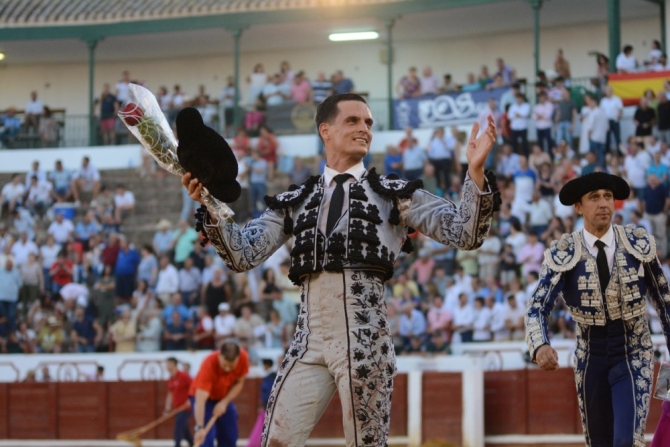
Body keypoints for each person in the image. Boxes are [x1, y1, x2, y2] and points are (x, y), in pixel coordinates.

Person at [182, 93, 498, 446]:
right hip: (308, 340)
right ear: (325, 130)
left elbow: (464, 233)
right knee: (275, 442)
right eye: (353, 121)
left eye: (368, 123)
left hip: (366, 340)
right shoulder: (296, 201)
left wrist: (475, 173)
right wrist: (209, 204)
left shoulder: (395, 194)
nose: (364, 129)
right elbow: (242, 254)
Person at [524, 172, 670, 446]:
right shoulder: (564, 253)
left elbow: (665, 302)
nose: (603, 203)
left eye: (608, 197)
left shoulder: (638, 244)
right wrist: (540, 344)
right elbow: (537, 306)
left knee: (626, 441)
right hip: (590, 357)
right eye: (594, 198)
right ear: (578, 207)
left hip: (633, 351)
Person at [190, 342, 248, 447]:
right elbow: (200, 400)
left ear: (238, 358)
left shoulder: (243, 358)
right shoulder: (209, 363)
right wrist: (199, 427)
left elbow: (239, 383)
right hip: (203, 400)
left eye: (231, 366)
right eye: (225, 365)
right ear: (219, 355)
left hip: (223, 398)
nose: (227, 369)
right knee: (206, 438)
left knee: (230, 436)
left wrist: (224, 402)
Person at [165, 357, 193, 447]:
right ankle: (193, 444)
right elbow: (170, 394)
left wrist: (190, 400)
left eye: (168, 364)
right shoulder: (170, 379)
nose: (166, 366)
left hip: (186, 408)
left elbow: (194, 387)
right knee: (185, 431)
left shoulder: (184, 376)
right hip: (177, 408)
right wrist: (167, 409)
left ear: (173, 364)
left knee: (178, 429)